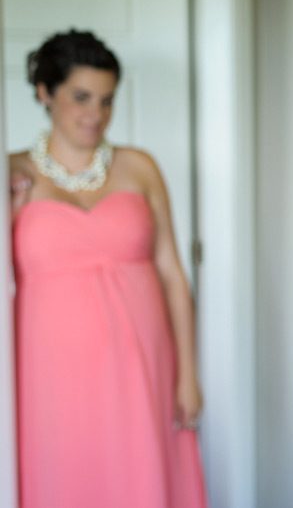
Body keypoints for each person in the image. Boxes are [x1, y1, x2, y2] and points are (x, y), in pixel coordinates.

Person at [10, 29, 208, 508]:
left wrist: (188, 374)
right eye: (81, 97)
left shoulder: (139, 167)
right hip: (49, 373)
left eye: (106, 100)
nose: (95, 114)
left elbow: (172, 275)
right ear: (44, 93)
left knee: (142, 478)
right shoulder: (11, 174)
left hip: (142, 362)